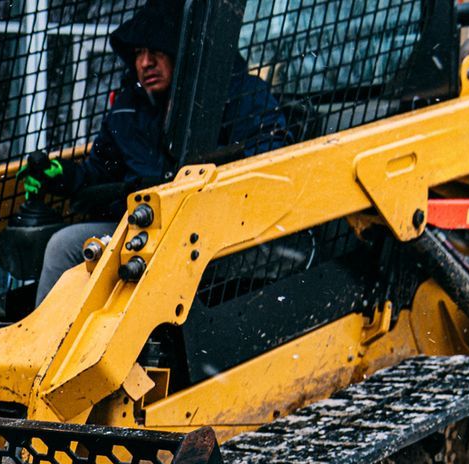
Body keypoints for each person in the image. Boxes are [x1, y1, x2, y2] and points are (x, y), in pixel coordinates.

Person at [20, 0, 289, 305]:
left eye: (156, 51)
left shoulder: (239, 95)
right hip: (141, 227)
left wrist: (185, 187)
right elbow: (100, 171)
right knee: (63, 245)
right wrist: (65, 177)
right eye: (138, 54)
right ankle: (49, 347)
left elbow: (266, 161)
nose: (145, 63)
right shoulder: (127, 108)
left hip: (211, 231)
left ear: (183, 52)